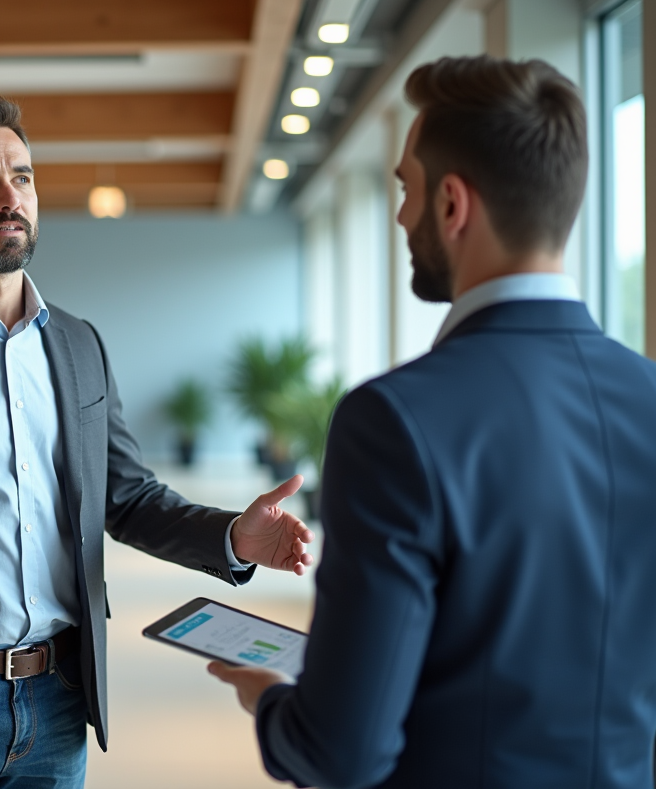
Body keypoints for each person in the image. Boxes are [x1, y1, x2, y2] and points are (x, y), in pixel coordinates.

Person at [0, 96, 315, 787]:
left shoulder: (77, 342)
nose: (11, 197)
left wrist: (233, 539)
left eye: (23, 176)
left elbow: (125, 497)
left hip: (58, 699)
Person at [209, 55, 656, 788]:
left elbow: (341, 752)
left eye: (405, 189)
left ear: (452, 204)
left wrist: (273, 705)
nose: (399, 215)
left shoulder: (395, 421)